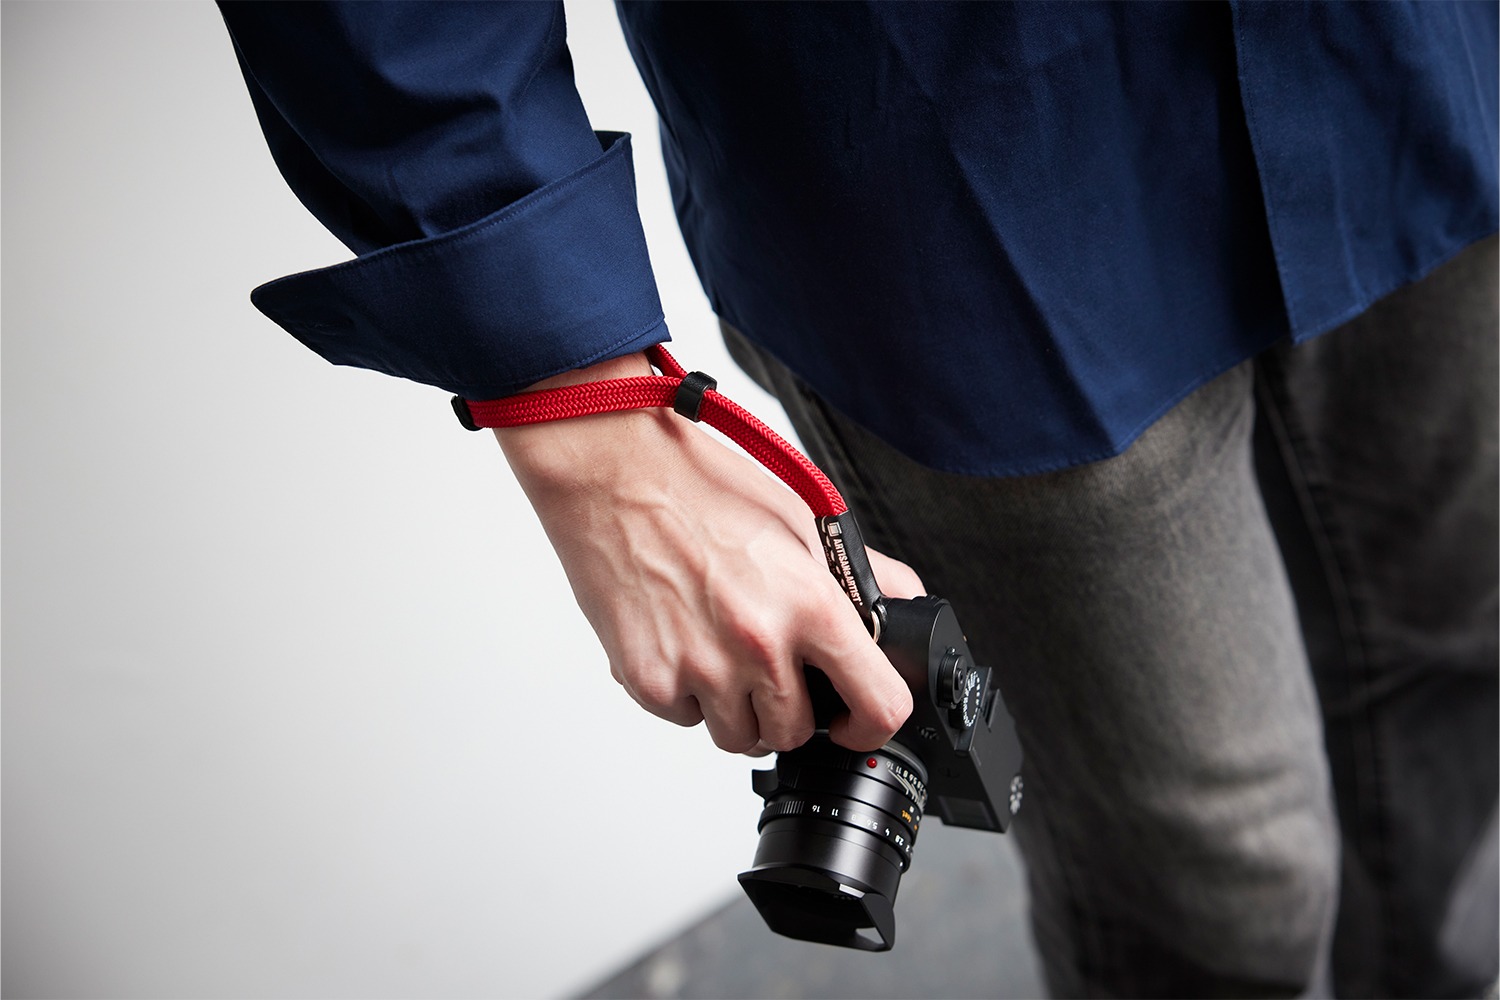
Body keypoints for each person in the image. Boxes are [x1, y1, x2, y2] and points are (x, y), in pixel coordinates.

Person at [218, 3, 1498, 996]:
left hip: (1415, 68)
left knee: (1451, 680)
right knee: (1222, 887)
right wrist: (585, 418)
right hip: (973, 173)